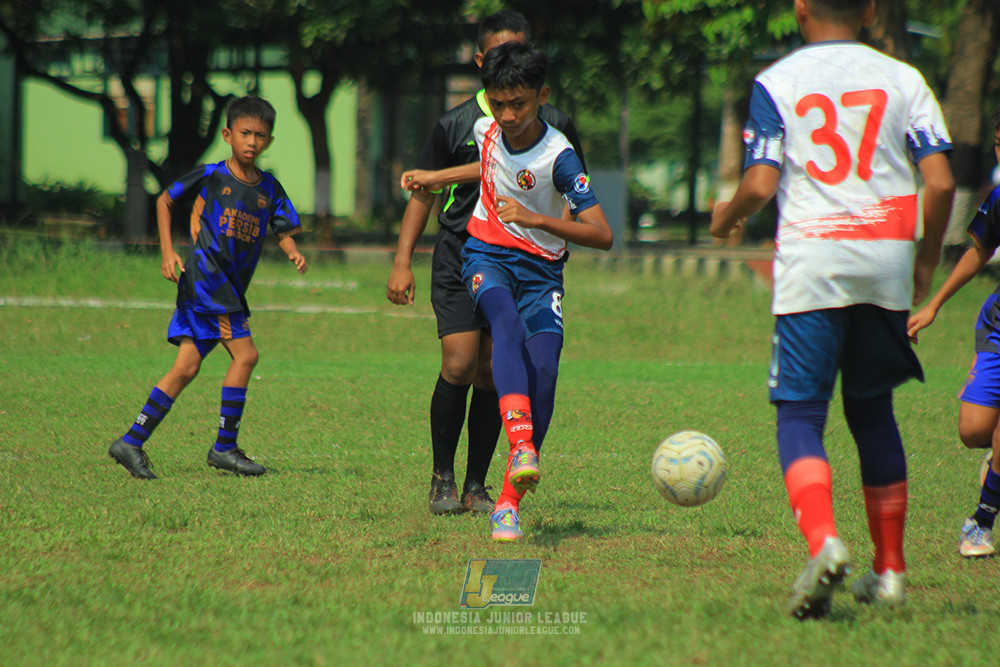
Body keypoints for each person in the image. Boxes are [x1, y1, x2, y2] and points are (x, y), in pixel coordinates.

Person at [710, 0, 954, 617]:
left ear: (799, 11)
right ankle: (891, 571)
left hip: (813, 266)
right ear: (871, 11)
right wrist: (924, 262)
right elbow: (943, 182)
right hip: (885, 263)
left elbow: (762, 184)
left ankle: (824, 543)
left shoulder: (779, 82)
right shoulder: (904, 78)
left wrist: (726, 217)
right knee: (873, 414)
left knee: (799, 415)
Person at [406, 41, 613, 541]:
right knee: (503, 324)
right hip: (486, 257)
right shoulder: (486, 129)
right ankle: (520, 442)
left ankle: (507, 502)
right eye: (497, 103)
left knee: (544, 370)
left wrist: (538, 219)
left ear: (541, 96)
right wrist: (435, 177)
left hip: (542, 272)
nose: (507, 114)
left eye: (518, 103)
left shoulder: (558, 156)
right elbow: (483, 161)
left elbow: (602, 234)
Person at [108, 95, 307, 480]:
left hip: (226, 287)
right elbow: (165, 201)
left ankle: (131, 441)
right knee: (246, 356)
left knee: (186, 366)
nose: (252, 141)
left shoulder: (269, 187)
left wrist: (292, 250)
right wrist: (167, 252)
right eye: (245, 133)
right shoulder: (213, 175)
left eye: (261, 135)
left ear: (269, 140)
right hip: (207, 280)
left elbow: (282, 225)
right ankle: (224, 447)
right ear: (228, 134)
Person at [908, 106, 1000, 559]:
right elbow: (978, 250)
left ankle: (980, 522)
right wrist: (934, 305)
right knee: (974, 430)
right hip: (998, 327)